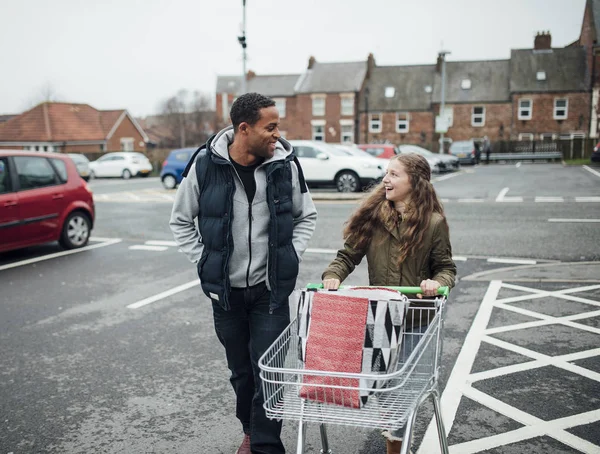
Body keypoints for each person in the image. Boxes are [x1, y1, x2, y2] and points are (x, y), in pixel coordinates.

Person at [170, 92, 318, 454]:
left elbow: (306, 216)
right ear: (243, 128)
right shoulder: (205, 166)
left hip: (270, 293)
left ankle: (265, 446)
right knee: (242, 373)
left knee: (270, 374)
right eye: (270, 127)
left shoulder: (285, 165)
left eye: (277, 126)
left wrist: (288, 258)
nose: (277, 134)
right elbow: (180, 221)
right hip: (226, 295)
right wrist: (204, 261)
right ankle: (251, 429)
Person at [321, 153, 456, 454]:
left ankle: (394, 449)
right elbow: (347, 257)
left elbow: (446, 268)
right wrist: (333, 275)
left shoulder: (433, 224)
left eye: (394, 174)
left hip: (415, 321)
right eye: (386, 173)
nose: (385, 179)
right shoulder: (373, 218)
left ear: (415, 182)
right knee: (381, 387)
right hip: (380, 319)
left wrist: (438, 284)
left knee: (403, 392)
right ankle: (394, 436)